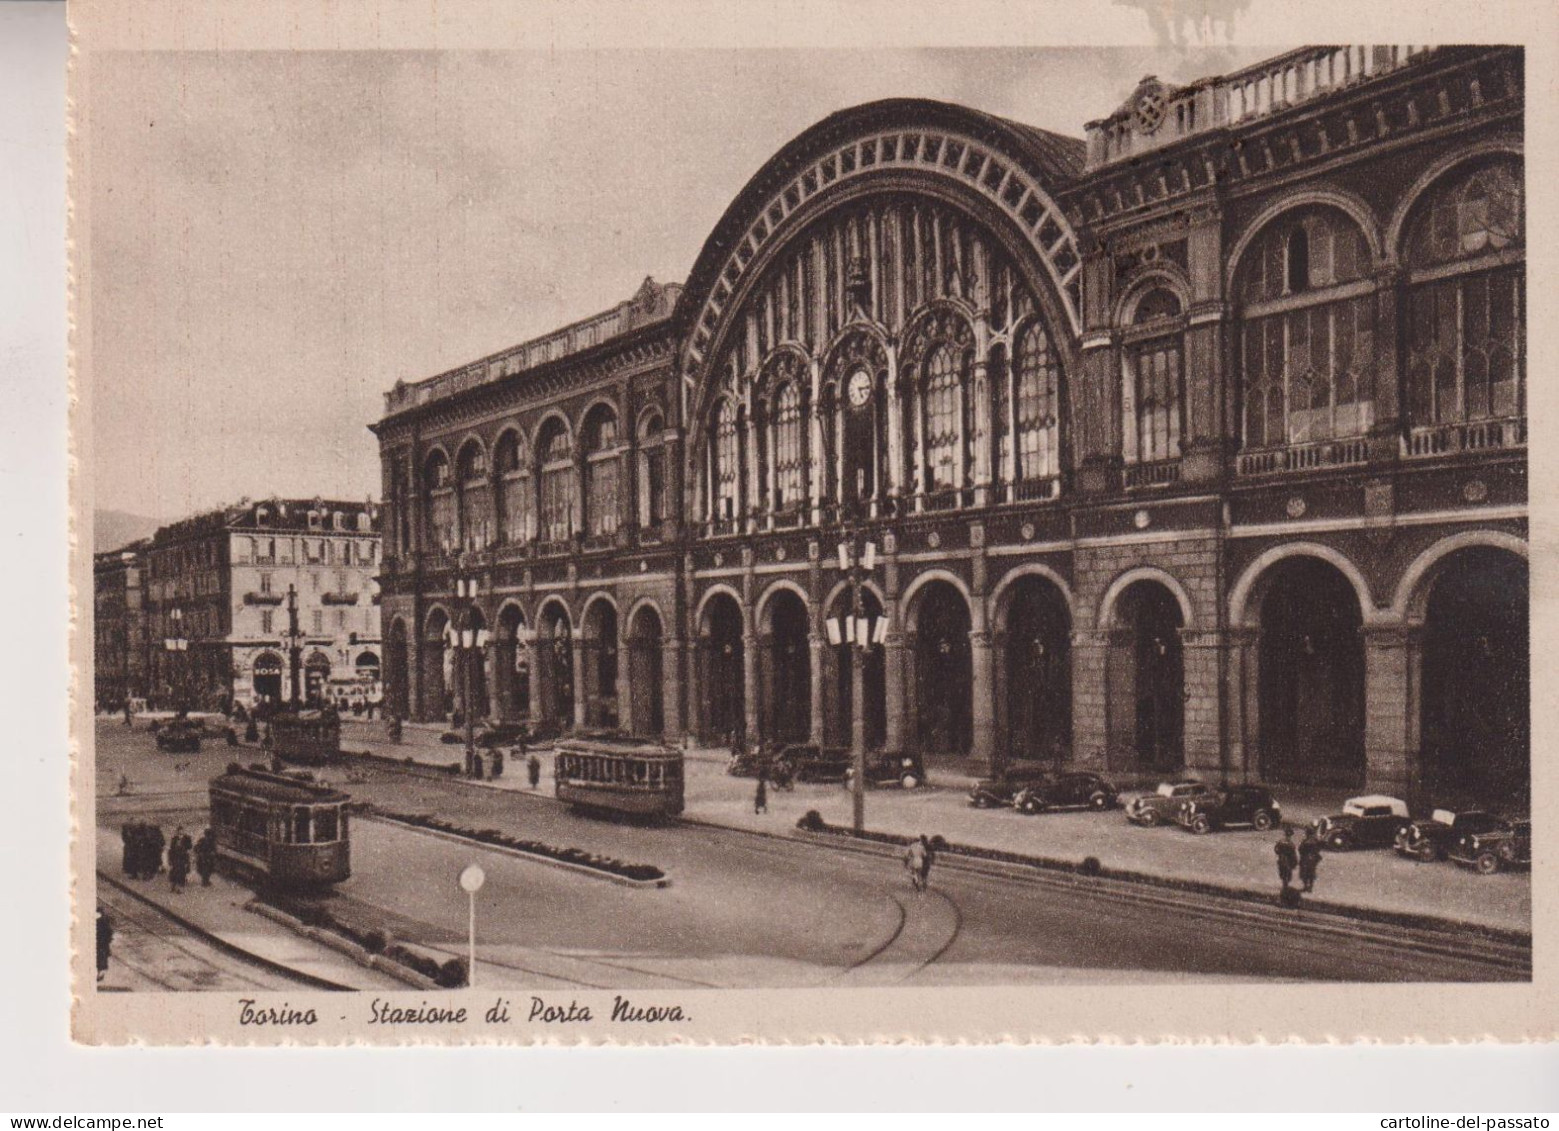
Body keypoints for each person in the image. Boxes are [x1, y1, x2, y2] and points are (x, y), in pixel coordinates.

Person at [1298, 827, 1323, 893]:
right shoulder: (1316, 840)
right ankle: (1310, 887)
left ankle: (1306, 887)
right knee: (1311, 873)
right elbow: (1319, 849)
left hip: (1306, 858)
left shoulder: (1306, 841)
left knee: (1305, 873)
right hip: (1314, 859)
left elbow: (1300, 849)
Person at [167, 828, 192, 892]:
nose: (180, 833)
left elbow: (190, 847)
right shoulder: (174, 839)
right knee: (174, 872)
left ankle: (179, 888)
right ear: (177, 832)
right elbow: (171, 849)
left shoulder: (187, 838)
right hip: (175, 858)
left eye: (182, 831)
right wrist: (170, 860)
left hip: (182, 858)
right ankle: (173, 886)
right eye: (179, 832)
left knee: (182, 872)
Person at [95, 909, 113, 982]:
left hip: (101, 945)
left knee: (101, 959)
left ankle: (100, 973)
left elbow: (109, 933)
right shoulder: (100, 922)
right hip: (101, 945)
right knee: (100, 959)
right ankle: (100, 973)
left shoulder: (102, 922)